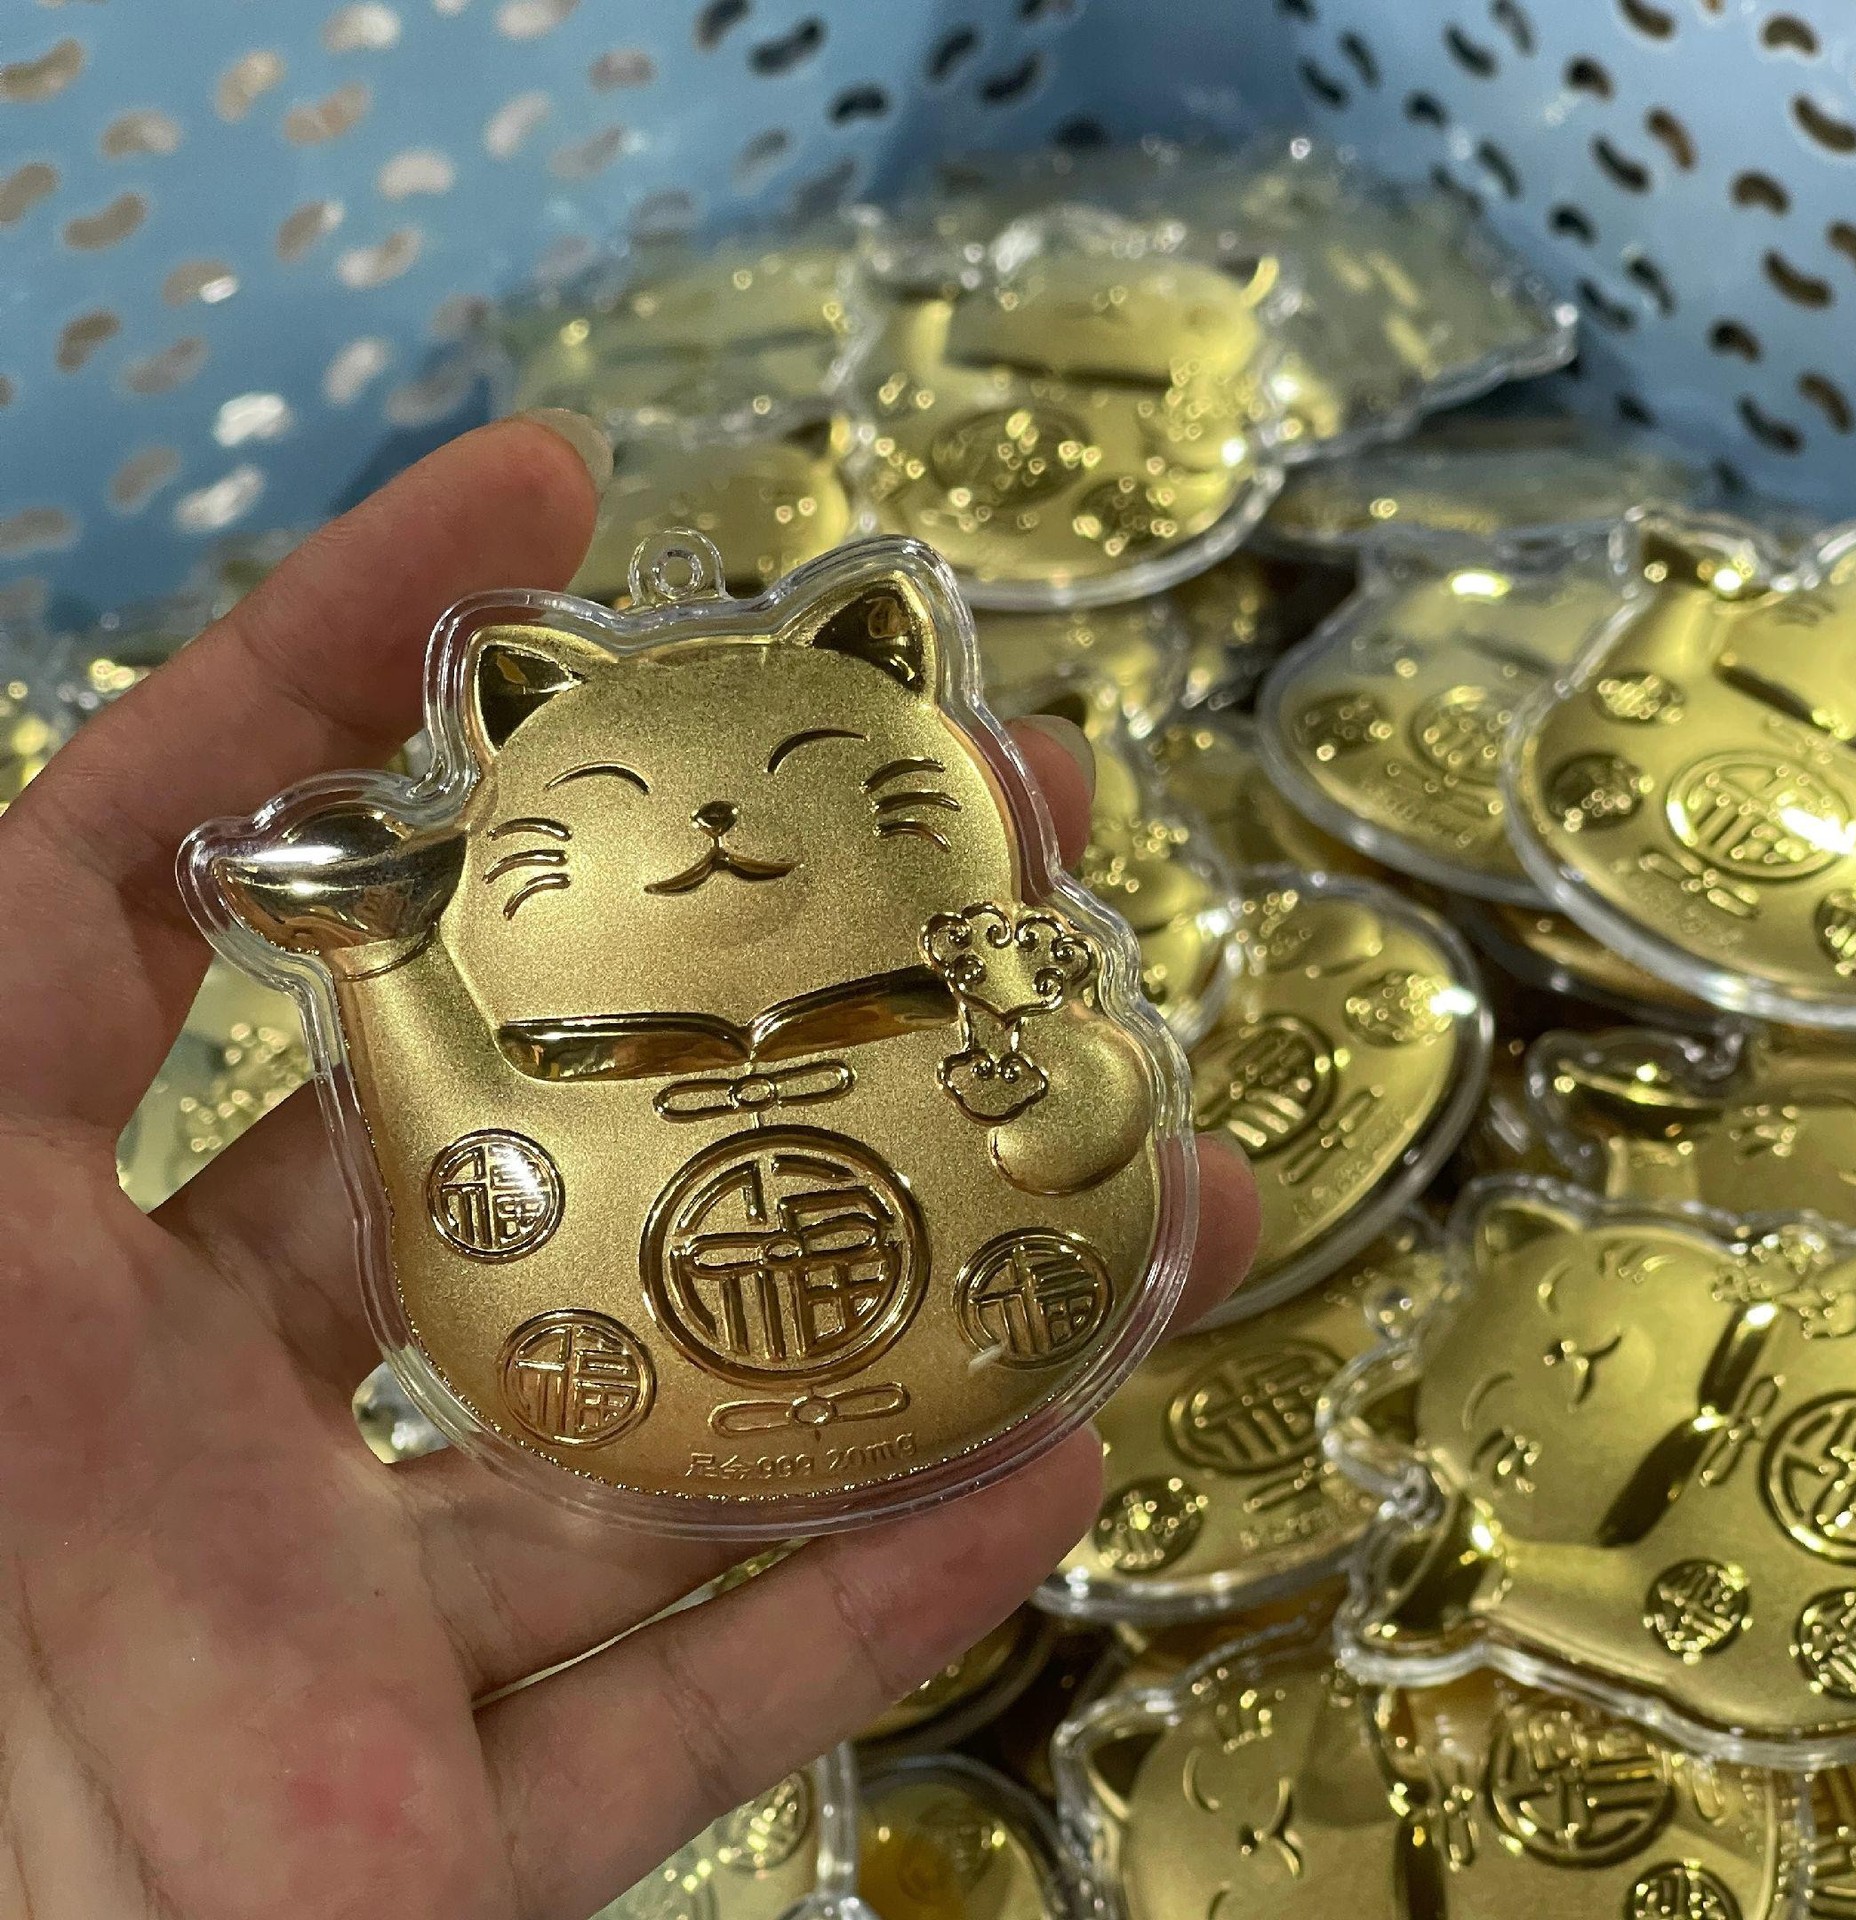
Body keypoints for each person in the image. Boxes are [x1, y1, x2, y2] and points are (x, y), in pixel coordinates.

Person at [0, 412, 1259, 1919]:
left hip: (973, 1289)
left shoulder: (985, 996)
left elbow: (1092, 1135)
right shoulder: (522, 1059)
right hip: (595, 1295)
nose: (715, 823)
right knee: (479, 1171)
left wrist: (1043, 1062)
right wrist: (381, 956)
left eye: (808, 769)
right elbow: (458, 1174)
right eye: (622, 803)